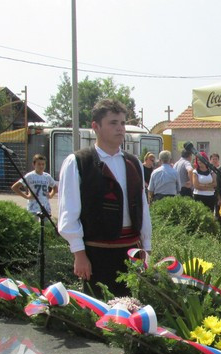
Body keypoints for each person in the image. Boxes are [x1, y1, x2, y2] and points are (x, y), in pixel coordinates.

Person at [57, 99, 151, 297]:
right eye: (113, 123)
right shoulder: (78, 162)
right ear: (95, 127)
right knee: (99, 313)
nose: (120, 128)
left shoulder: (133, 163)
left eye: (123, 123)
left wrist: (146, 249)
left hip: (130, 252)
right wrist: (79, 254)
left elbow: (142, 208)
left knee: (129, 310)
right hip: (96, 253)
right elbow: (69, 212)